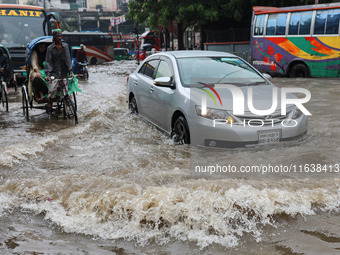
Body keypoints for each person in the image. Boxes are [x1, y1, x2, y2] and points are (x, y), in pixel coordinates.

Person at [45, 29, 73, 113]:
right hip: (54, 72)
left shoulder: (65, 47)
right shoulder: (50, 48)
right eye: (58, 36)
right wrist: (48, 74)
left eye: (61, 36)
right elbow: (48, 61)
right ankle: (50, 103)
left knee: (66, 91)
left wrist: (70, 72)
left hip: (64, 72)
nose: (60, 38)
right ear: (54, 38)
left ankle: (67, 103)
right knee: (52, 90)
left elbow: (68, 59)